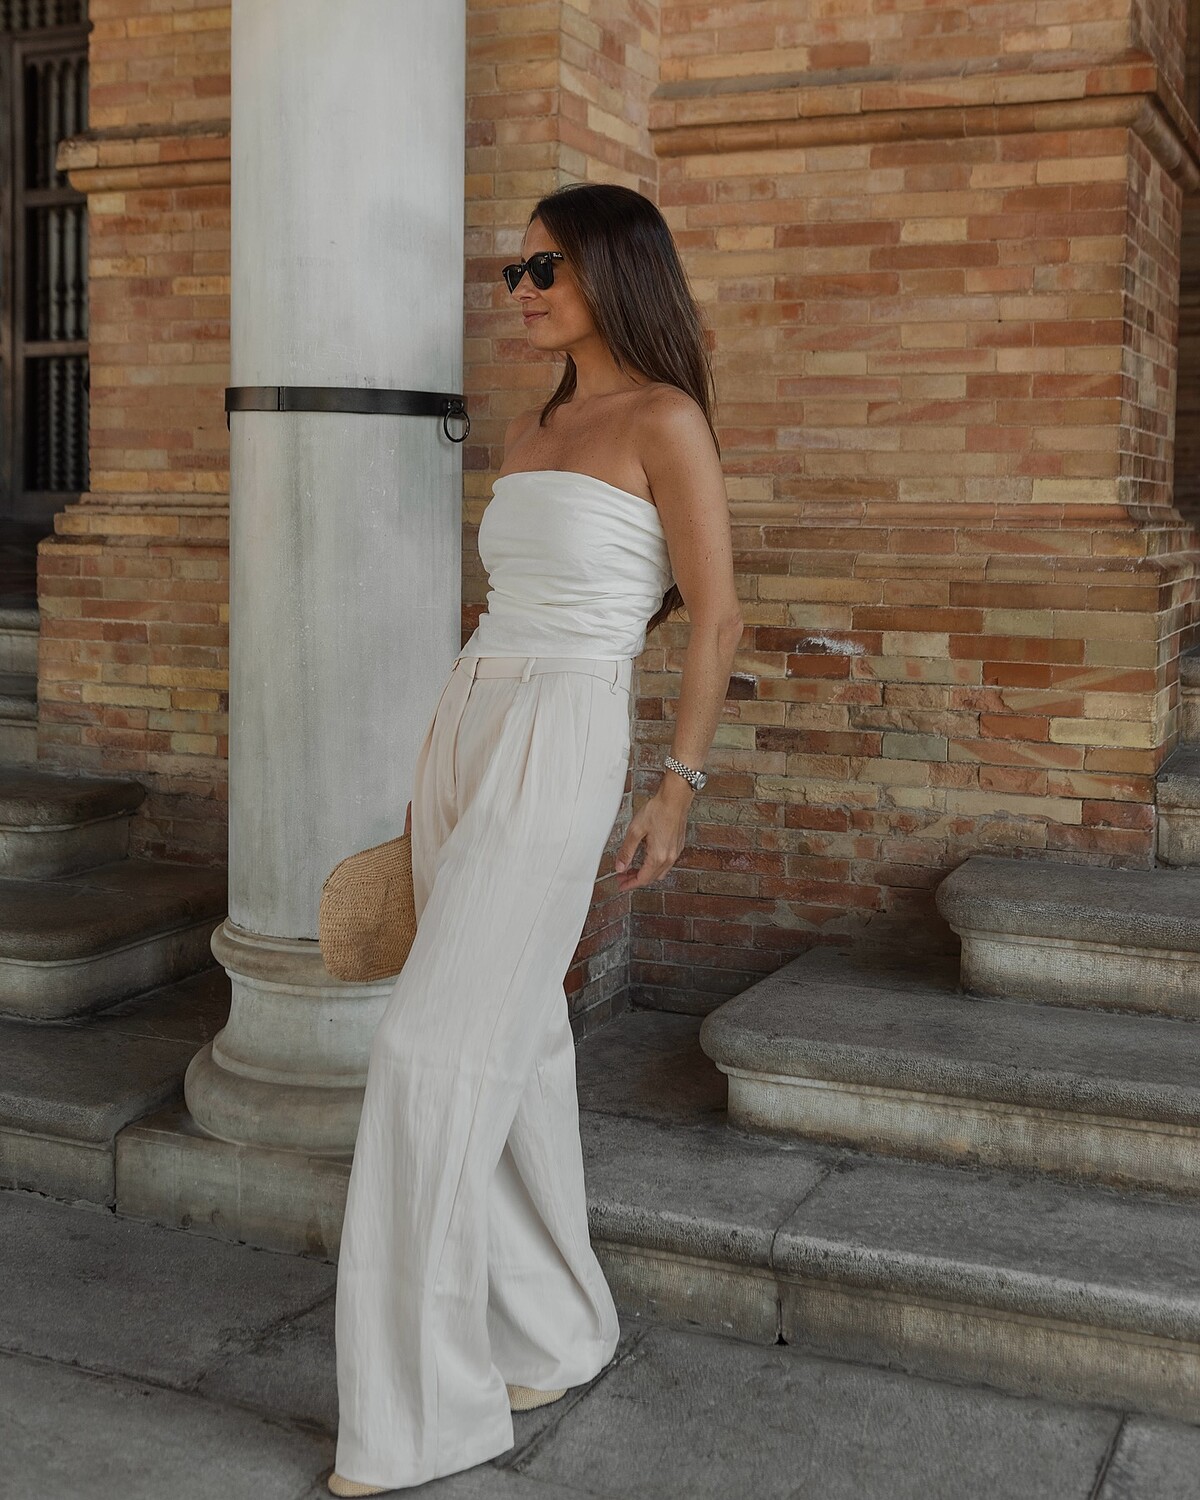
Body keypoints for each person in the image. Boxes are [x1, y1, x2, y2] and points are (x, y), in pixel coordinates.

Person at [329, 182, 743, 1496]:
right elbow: (498, 606)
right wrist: (428, 777)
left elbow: (719, 617)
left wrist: (676, 787)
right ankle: (557, 1328)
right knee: (519, 1048)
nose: (521, 290)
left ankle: (418, 1416)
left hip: (566, 723)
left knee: (424, 1053)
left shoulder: (665, 420)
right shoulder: (531, 426)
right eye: (515, 271)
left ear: (614, 270)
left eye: (543, 266)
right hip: (469, 716)